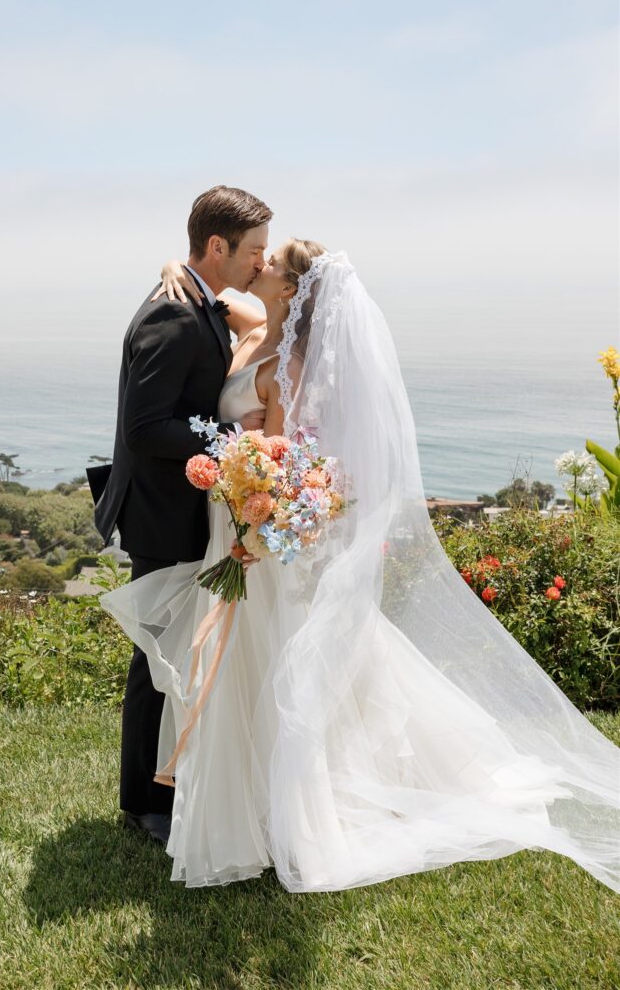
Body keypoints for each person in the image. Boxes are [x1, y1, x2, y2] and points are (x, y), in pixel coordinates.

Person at [100, 245, 620, 893]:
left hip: (252, 530)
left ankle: (280, 806)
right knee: (250, 662)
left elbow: (288, 462)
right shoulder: (254, 325)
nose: (255, 261)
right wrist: (168, 266)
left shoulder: (288, 364)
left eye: (269, 259)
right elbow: (209, 291)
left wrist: (251, 496)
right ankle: (221, 794)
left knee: (266, 661)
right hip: (227, 520)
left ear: (289, 288)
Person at [91, 186, 271, 845]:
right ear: (217, 247)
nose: (263, 260)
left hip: (187, 511)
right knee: (156, 656)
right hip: (164, 514)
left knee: (176, 654)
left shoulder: (201, 296)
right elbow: (145, 429)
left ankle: (168, 784)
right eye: (253, 250)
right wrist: (232, 444)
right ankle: (145, 802)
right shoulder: (172, 313)